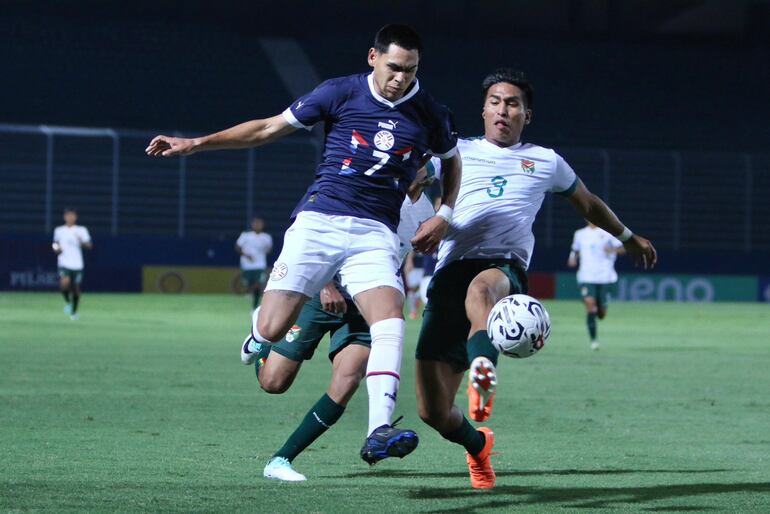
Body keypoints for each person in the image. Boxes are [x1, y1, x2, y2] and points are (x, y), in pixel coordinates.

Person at [146, 24, 461, 463]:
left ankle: (379, 430)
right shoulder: (339, 93)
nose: (400, 78)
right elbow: (267, 129)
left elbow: (452, 162)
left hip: (375, 231)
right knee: (274, 330)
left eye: (409, 71)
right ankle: (259, 328)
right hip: (320, 220)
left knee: (390, 320)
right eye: (393, 68)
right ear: (372, 57)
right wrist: (197, 143)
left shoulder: (430, 112)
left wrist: (444, 214)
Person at [415, 69, 657, 489]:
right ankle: (479, 445)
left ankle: (483, 367)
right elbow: (413, 180)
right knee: (432, 412)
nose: (503, 110)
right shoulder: (456, 153)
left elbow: (588, 203)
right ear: (484, 110)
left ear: (527, 115)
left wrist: (627, 236)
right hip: (447, 273)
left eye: (512, 104)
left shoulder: (545, 161)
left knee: (482, 290)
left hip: (503, 266)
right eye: (495, 101)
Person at [256, 174, 437, 482]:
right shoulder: (368, 184)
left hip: (367, 303)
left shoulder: (426, 213)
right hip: (322, 291)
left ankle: (281, 459)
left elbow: (410, 255)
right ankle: (259, 341)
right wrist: (325, 284)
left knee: (348, 379)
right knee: (273, 382)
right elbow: (313, 232)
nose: (422, 164)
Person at [567, 221, 625, 350]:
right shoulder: (580, 234)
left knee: (601, 314)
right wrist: (572, 258)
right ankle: (594, 341)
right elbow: (575, 249)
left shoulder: (608, 233)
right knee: (590, 306)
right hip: (586, 277)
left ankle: (601, 307)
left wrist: (613, 250)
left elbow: (622, 248)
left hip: (604, 277)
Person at [52, 208, 92, 320]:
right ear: (64, 217)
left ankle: (74, 313)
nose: (70, 217)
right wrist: (56, 249)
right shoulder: (59, 230)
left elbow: (89, 245)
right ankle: (68, 302)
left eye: (72, 215)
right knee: (64, 284)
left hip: (77, 264)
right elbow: (55, 244)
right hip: (64, 262)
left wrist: (82, 241)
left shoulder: (81, 230)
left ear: (76, 217)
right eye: (68, 215)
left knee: (76, 289)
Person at [235, 217, 273, 310]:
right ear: (252, 225)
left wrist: (267, 249)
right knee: (247, 284)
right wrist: (246, 255)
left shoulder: (266, 237)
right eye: (255, 223)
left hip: (260, 265)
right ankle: (249, 294)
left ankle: (254, 307)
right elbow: (237, 247)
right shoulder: (245, 235)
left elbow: (269, 249)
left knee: (258, 284)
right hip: (247, 265)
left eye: (259, 223)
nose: (257, 225)